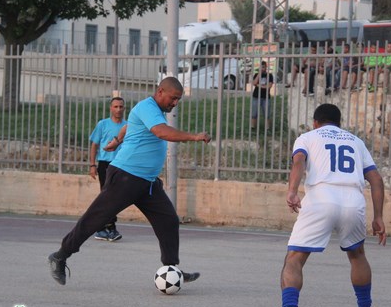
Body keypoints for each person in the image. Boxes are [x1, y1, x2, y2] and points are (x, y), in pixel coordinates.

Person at [47, 77, 211, 286]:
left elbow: (128, 128)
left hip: (147, 182)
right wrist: (194, 137)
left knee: (168, 220)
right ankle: (60, 256)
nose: (175, 103)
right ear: (160, 92)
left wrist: (116, 141)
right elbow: (161, 132)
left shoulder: (152, 111)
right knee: (96, 218)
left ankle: (171, 270)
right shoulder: (147, 107)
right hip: (126, 176)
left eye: (178, 100)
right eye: (173, 98)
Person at [269, 103, 387, 307]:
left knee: (294, 258)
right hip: (353, 200)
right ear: (339, 123)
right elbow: (376, 179)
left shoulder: (307, 137)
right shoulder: (356, 141)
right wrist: (379, 216)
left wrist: (292, 190)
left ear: (315, 122)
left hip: (321, 198)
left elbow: (299, 162)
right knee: (357, 255)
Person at [88, 97, 127, 242]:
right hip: (105, 164)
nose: (118, 109)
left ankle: (103, 227)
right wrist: (92, 165)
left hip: (121, 164)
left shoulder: (128, 126)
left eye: (121, 107)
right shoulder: (103, 124)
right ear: (111, 108)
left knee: (116, 197)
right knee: (108, 196)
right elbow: (94, 145)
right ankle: (109, 228)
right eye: (115, 106)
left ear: (124, 108)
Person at [250, 60, 274, 132]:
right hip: (256, 96)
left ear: (266, 67)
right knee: (254, 113)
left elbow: (269, 86)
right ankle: (253, 128)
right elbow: (254, 83)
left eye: (263, 67)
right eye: (261, 67)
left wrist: (259, 85)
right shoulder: (256, 75)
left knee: (267, 114)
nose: (262, 68)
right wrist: (259, 74)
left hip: (266, 97)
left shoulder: (269, 75)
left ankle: (267, 129)